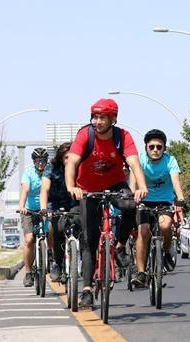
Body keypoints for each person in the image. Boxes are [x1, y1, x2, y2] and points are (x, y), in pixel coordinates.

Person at [65, 98, 148, 309]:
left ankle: (119, 246)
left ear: (113, 119)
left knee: (131, 207)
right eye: (95, 117)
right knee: (90, 240)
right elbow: (72, 162)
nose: (98, 121)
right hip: (87, 189)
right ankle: (86, 290)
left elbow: (134, 163)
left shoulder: (122, 136)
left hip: (115, 184)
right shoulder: (85, 134)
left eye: (102, 117)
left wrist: (141, 187)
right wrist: (71, 187)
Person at [130, 129, 186, 288]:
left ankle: (167, 251)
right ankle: (141, 272)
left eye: (159, 147)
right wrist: (133, 196)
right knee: (144, 232)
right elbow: (133, 181)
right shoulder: (139, 159)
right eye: (152, 147)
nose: (155, 150)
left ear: (164, 148)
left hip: (164, 201)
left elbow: (175, 181)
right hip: (144, 201)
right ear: (146, 147)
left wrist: (180, 197)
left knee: (165, 225)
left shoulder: (170, 160)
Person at [40, 142, 81, 282]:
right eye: (66, 158)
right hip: (56, 205)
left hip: (74, 204)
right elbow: (44, 190)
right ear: (60, 158)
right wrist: (44, 209)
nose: (69, 161)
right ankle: (57, 263)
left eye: (72, 158)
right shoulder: (51, 168)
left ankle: (80, 261)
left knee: (83, 228)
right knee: (56, 231)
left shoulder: (80, 167)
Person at [18, 147, 49, 287]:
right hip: (29, 210)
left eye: (43, 161)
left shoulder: (49, 173)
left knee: (53, 231)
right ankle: (28, 273)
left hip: (45, 209)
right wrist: (21, 207)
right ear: (34, 162)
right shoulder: (28, 173)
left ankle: (53, 260)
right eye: (38, 161)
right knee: (30, 239)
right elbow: (25, 190)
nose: (40, 164)